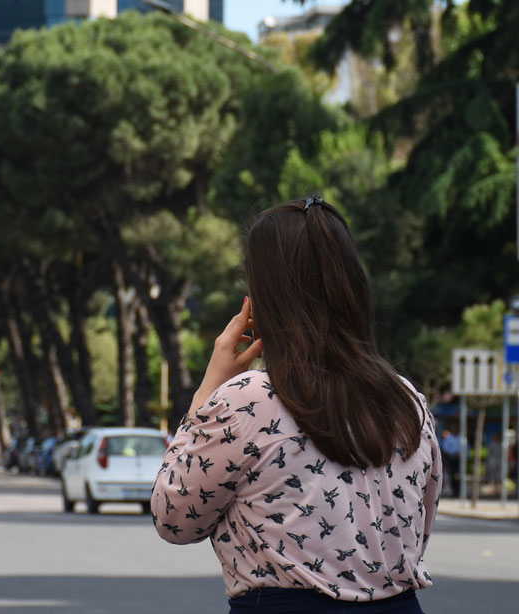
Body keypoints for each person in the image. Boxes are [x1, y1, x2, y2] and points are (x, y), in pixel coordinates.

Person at [152, 197, 441, 613]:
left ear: (261, 299)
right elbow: (419, 526)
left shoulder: (248, 401)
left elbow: (174, 519)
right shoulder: (407, 401)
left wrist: (206, 395)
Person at [440, 428, 461, 496]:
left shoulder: (461, 438)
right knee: (450, 475)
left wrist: (459, 454)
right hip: (450, 459)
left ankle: (457, 491)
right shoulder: (449, 438)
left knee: (458, 476)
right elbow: (445, 448)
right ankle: (451, 490)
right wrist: (452, 453)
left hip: (459, 459)